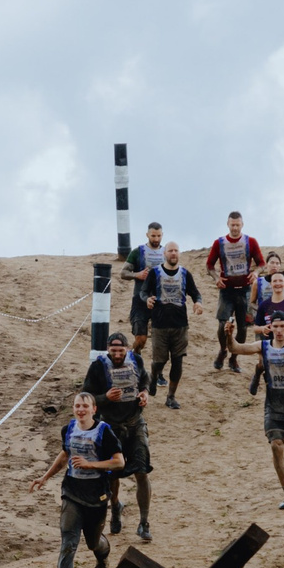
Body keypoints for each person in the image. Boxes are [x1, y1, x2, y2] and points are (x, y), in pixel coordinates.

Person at [29, 388, 124, 568]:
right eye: (77, 406)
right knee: (68, 543)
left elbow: (119, 462)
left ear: (94, 409)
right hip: (71, 493)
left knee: (92, 542)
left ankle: (103, 556)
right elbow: (65, 455)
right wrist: (45, 477)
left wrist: (92, 464)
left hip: (97, 496)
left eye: (85, 406)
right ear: (73, 409)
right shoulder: (69, 429)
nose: (80, 410)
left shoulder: (104, 432)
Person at [227, 311, 284, 510]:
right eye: (275, 327)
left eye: (282, 326)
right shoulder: (263, 347)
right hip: (274, 406)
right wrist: (229, 334)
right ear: (270, 328)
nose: (279, 330)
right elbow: (236, 348)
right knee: (276, 446)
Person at [84, 330, 154, 541]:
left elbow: (145, 381)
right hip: (111, 428)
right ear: (108, 349)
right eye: (113, 351)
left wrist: (144, 394)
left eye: (120, 351)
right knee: (112, 474)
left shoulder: (137, 361)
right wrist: (105, 397)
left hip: (135, 424)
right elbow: (86, 396)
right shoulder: (98, 367)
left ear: (127, 349)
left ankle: (144, 522)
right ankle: (115, 507)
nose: (117, 354)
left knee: (142, 471)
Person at [136, 241, 203, 409]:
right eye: (170, 251)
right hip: (159, 324)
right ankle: (153, 376)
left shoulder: (185, 274)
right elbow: (143, 292)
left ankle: (171, 396)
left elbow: (195, 293)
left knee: (178, 361)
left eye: (176, 251)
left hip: (180, 325)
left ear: (179, 254)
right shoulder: (155, 273)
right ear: (164, 254)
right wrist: (148, 299)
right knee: (159, 361)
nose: (173, 253)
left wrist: (198, 303)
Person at [206, 211, 261, 370]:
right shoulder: (220, 243)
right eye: (232, 225)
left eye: (237, 225)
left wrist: (256, 272)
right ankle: (223, 351)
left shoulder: (250, 241)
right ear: (228, 225)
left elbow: (261, 263)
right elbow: (209, 265)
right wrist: (216, 278)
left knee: (243, 327)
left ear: (242, 224)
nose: (235, 228)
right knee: (223, 323)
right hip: (227, 290)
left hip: (245, 290)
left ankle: (234, 358)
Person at [247, 262, 284, 396]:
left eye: (280, 281)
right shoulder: (264, 305)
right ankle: (257, 374)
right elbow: (255, 327)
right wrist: (262, 329)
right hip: (267, 340)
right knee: (263, 364)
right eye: (274, 281)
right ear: (270, 284)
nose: (277, 284)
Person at [125, 221, 166, 364]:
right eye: (153, 236)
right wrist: (137, 274)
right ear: (147, 234)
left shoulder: (166, 253)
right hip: (140, 300)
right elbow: (123, 272)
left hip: (160, 301)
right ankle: (135, 353)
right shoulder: (138, 252)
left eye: (159, 236)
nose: (156, 239)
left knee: (160, 340)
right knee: (141, 338)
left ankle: (158, 373)